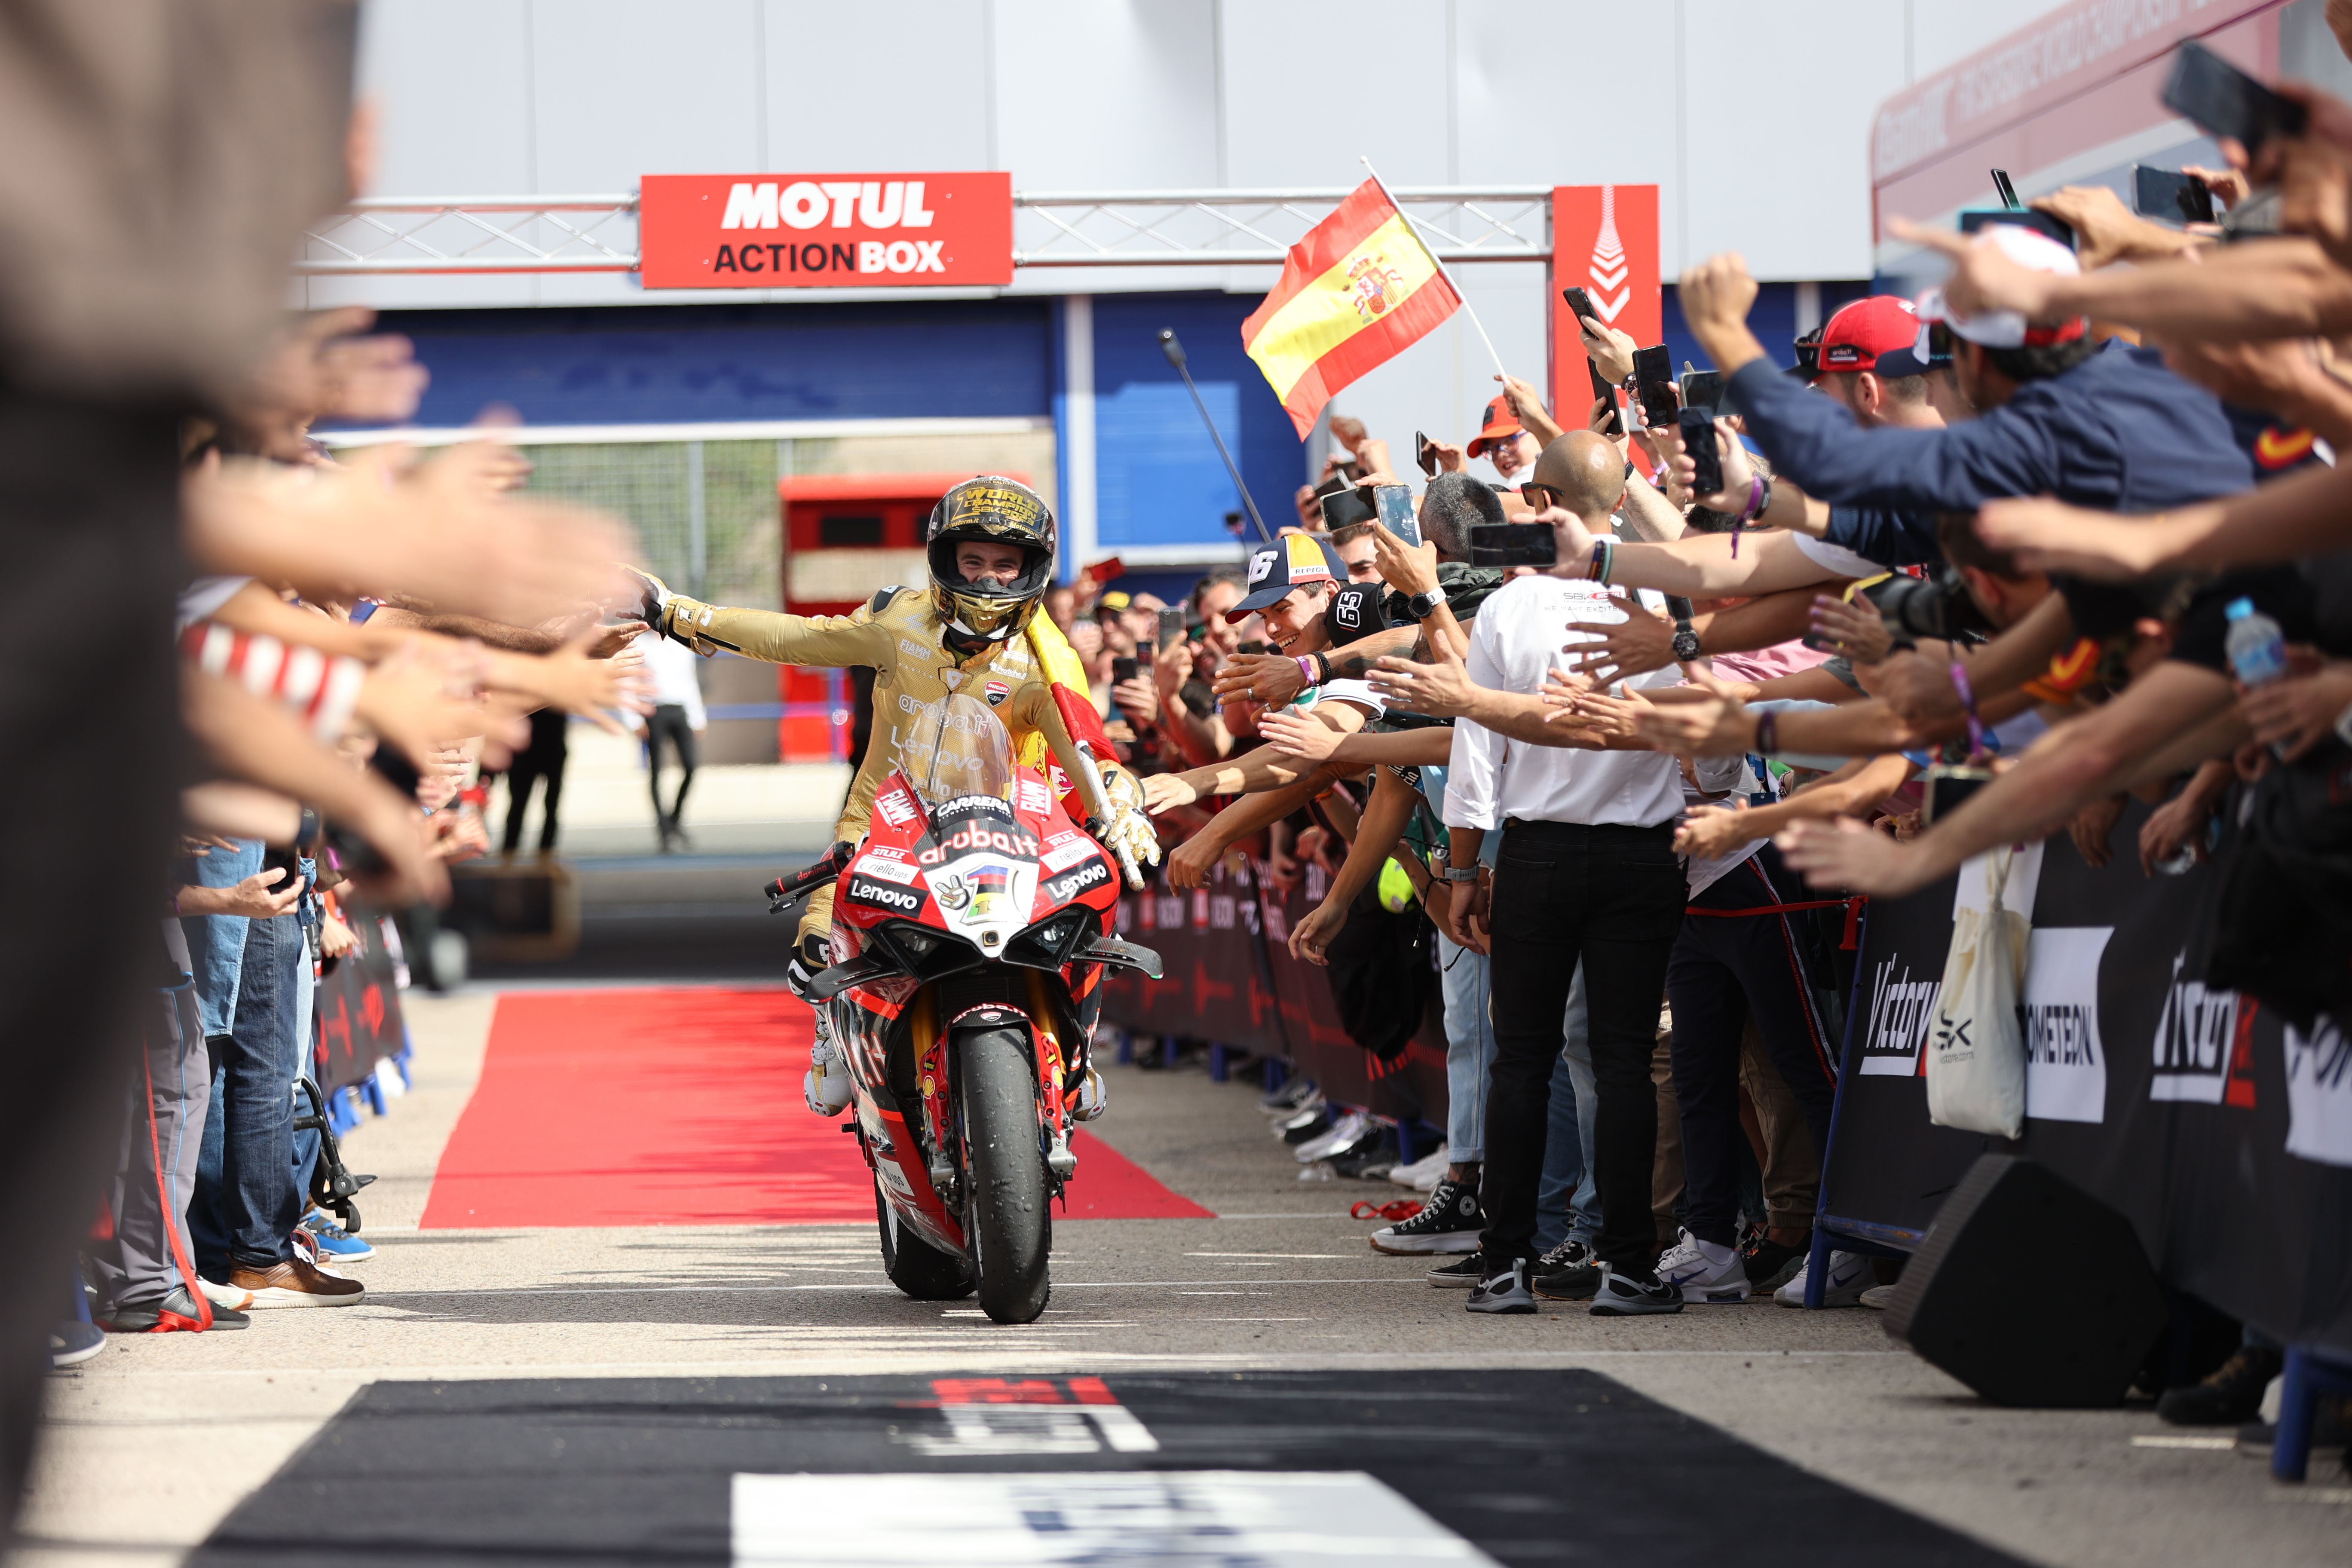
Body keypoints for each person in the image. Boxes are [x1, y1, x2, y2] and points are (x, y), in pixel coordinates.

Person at [631, 476, 1160, 995]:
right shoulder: (898, 620)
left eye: (1005, 565)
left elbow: (1089, 748)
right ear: (944, 561)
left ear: (1031, 572)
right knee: (815, 963)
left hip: (1007, 844)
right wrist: (679, 613)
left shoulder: (1049, 664)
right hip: (876, 837)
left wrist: (1120, 800)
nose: (987, 581)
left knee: (1068, 974)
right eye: (972, 562)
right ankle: (836, 1052)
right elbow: (798, 637)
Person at [638, 633, 707, 852]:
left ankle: (674, 820)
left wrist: (698, 717)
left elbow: (690, 680)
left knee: (691, 767)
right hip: (654, 710)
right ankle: (664, 830)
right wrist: (634, 718)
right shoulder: (639, 644)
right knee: (657, 771)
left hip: (680, 709)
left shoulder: (680, 644)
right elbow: (629, 680)